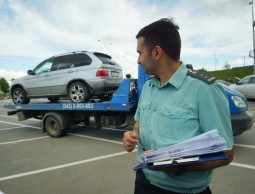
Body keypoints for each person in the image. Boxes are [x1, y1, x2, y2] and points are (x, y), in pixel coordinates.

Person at [122, 18, 234, 194]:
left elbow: (226, 153)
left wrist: (177, 166)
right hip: (144, 181)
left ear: (157, 52)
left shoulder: (204, 89)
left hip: (182, 190)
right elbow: (139, 123)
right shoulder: (149, 87)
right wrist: (132, 134)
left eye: (140, 53)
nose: (138, 60)